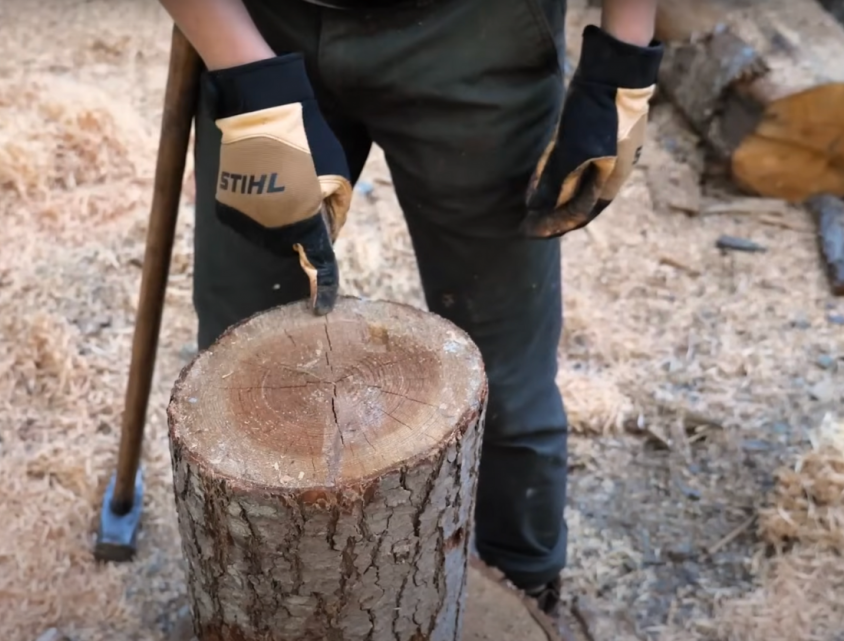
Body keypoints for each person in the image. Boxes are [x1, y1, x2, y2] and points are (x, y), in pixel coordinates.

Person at [159, 0, 662, 630]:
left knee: (507, 380)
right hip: (263, 25)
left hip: (481, 31)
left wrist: (624, 55)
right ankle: (253, 609)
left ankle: (528, 587)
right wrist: (241, 67)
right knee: (237, 368)